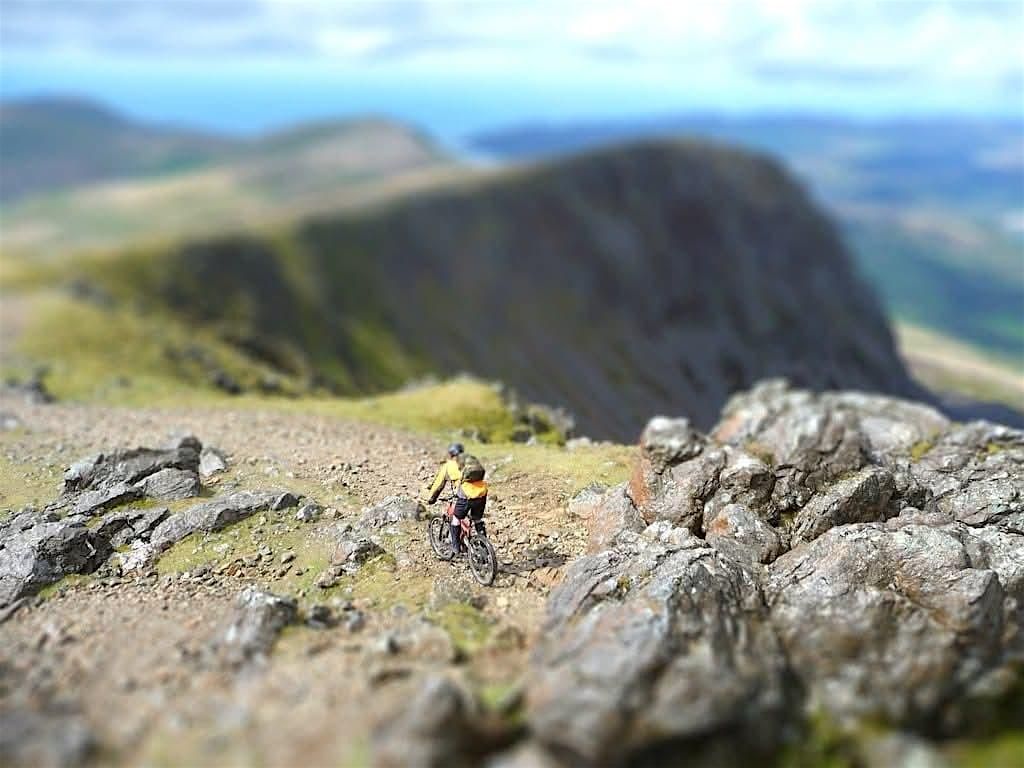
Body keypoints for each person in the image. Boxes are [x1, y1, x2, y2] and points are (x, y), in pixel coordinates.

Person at [450, 462, 487, 560]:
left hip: (466, 498)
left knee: (456, 519)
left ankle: (455, 546)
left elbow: (457, 488)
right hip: (481, 496)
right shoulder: (480, 479)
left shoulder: (460, 476)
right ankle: (485, 545)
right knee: (477, 519)